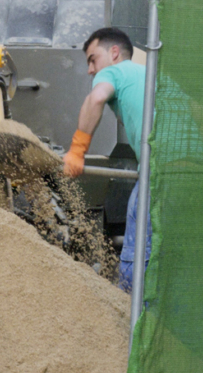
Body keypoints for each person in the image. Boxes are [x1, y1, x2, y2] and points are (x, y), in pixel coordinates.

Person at [62, 28, 150, 292]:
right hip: (194, 170)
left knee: (137, 257)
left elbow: (96, 98)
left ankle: (130, 320)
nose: (91, 69)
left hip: (161, 171)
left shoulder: (115, 71)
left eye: (92, 59)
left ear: (114, 53)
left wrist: (77, 150)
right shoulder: (149, 75)